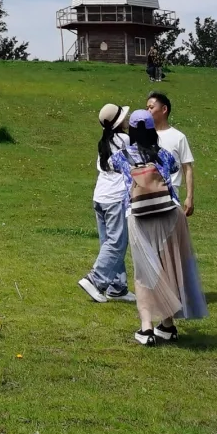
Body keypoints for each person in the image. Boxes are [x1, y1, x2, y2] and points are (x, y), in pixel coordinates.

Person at [110, 110, 208, 345]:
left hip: (141, 215)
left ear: (132, 130)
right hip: (170, 214)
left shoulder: (123, 155)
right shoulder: (164, 155)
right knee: (166, 269)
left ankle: (146, 329)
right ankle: (167, 325)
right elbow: (173, 169)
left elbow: (113, 166)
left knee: (144, 271)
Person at [78, 103, 136, 304]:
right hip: (115, 198)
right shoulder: (125, 139)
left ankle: (117, 287)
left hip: (100, 196)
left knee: (108, 242)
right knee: (117, 243)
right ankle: (95, 279)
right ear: (119, 122)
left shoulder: (103, 142)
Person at [146, 91, 194, 218]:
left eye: (151, 107)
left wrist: (189, 197)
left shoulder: (178, 137)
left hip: (170, 195)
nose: (148, 111)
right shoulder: (144, 136)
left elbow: (187, 168)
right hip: (147, 195)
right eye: (147, 108)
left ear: (164, 109)